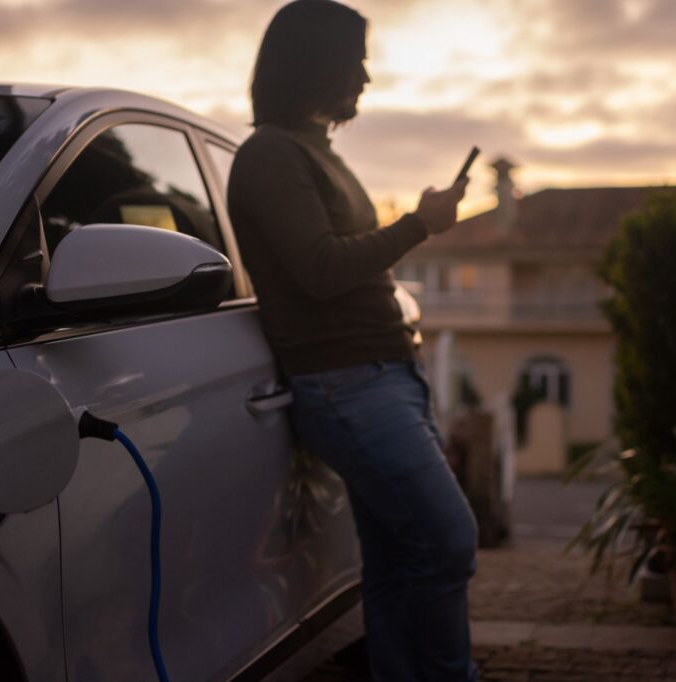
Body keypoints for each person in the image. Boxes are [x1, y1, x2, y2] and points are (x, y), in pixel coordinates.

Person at [227, 1, 477, 679]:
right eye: (354, 59)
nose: (365, 76)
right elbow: (321, 268)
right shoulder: (269, 154)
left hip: (383, 375)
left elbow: (343, 257)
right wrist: (419, 224)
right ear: (314, 62)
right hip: (348, 384)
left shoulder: (317, 152)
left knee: (398, 558)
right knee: (450, 541)